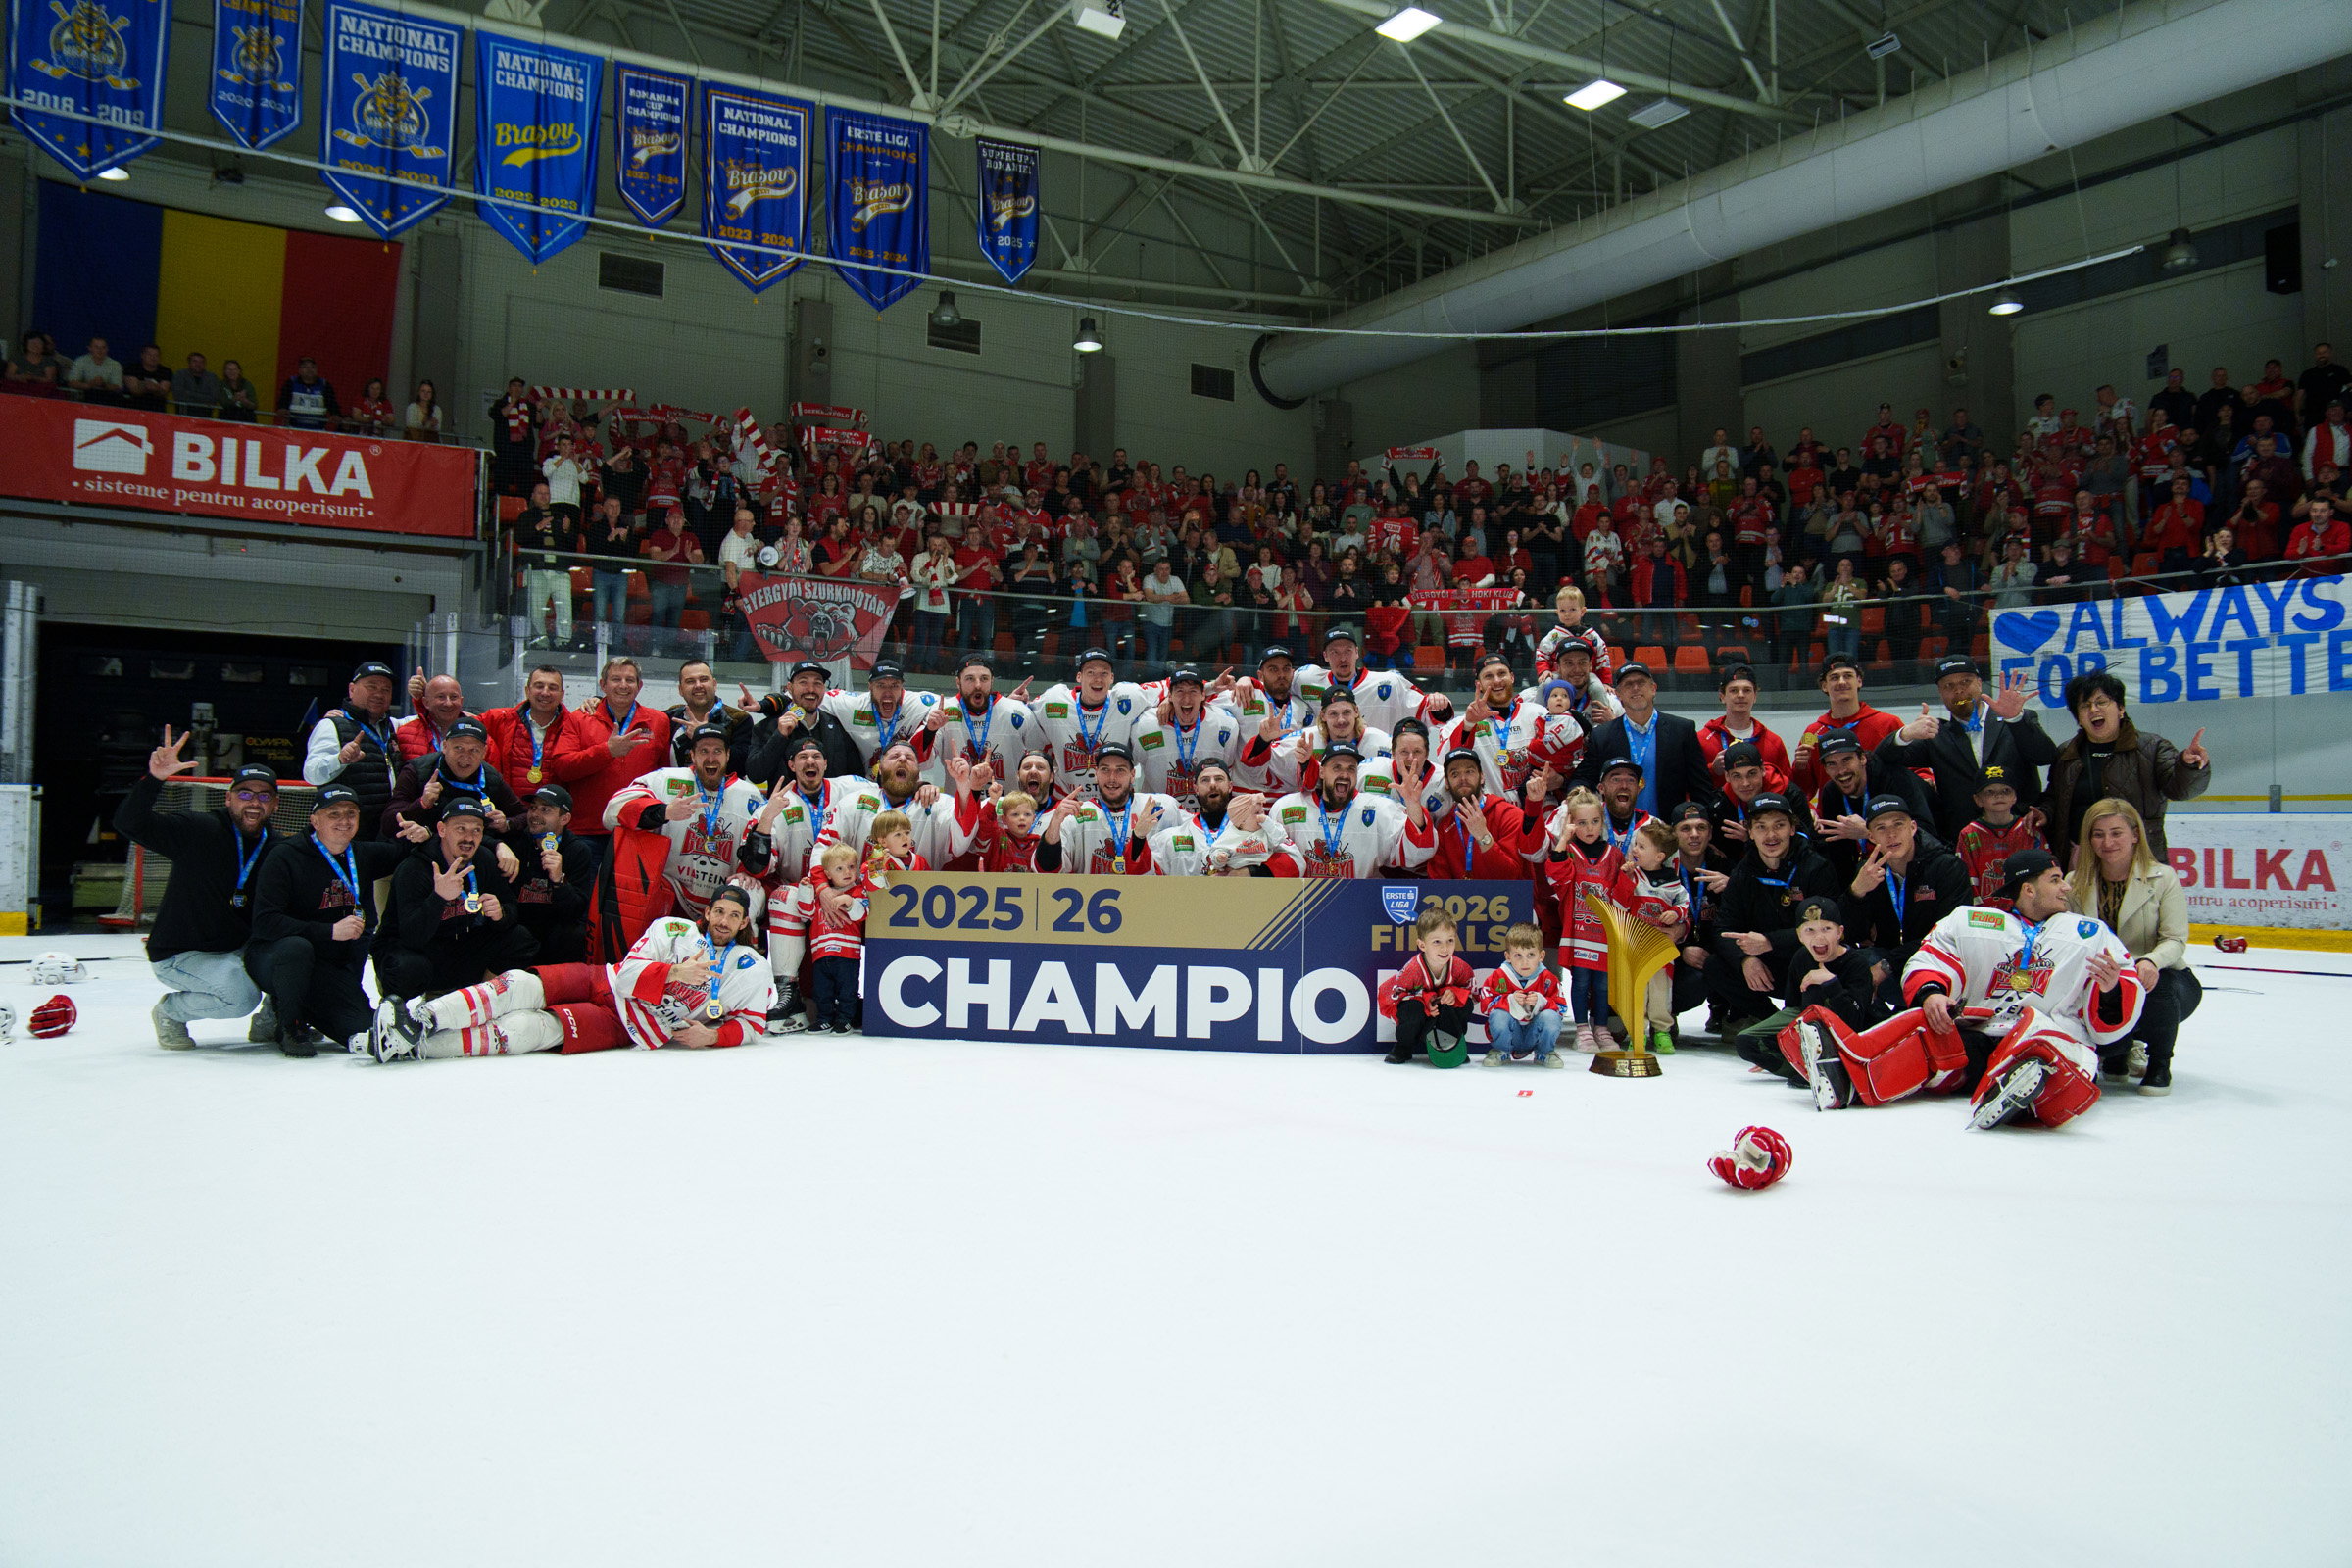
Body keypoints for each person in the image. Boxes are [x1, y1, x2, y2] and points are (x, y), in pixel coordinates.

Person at [1781, 850, 2144, 1131]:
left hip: (2050, 1034)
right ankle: (1848, 1078)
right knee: (1926, 1033)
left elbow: (2121, 999)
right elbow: (1931, 958)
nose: (2066, 886)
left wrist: (2112, 990)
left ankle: (2020, 1091)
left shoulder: (2089, 933)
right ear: (2028, 889)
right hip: (1984, 1034)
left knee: (2061, 1060)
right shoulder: (1972, 921)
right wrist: (1932, 994)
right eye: (2055, 879)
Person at [367, 886, 774, 1060]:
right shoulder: (673, 929)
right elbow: (630, 973)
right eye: (719, 911)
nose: (724, 920)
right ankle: (422, 1020)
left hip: (628, 1026)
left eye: (734, 916)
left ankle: (415, 1047)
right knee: (519, 983)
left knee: (529, 1031)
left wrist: (714, 1035)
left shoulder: (751, 968)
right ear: (707, 912)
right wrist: (672, 973)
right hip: (604, 980)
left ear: (743, 925)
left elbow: (754, 1024)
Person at [119, 739, 279, 1049]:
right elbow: (129, 823)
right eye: (245, 794)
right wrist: (153, 780)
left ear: (275, 803)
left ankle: (272, 1022)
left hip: (236, 950)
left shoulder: (277, 847)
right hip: (183, 954)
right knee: (240, 997)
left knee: (295, 953)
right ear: (230, 798)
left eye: (263, 795)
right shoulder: (198, 829)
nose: (254, 802)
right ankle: (170, 1012)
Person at [246, 784, 409, 1055]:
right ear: (315, 820)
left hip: (327, 967)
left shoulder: (362, 854)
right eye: (334, 814)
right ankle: (290, 1025)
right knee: (296, 949)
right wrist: (329, 931)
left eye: (351, 813)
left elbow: (405, 852)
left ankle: (307, 1008)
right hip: (273, 956)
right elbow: (266, 922)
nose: (344, 821)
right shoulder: (285, 856)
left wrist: (420, 831)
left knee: (363, 1028)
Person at [2069, 797, 2198, 1097]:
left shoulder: (2163, 878)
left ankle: (2159, 1062)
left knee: (2154, 983)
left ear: (2135, 835)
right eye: (2098, 834)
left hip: (2163, 978)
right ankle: (2115, 1055)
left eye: (2116, 833)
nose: (2107, 842)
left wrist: (2151, 961)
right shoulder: (2075, 882)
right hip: (2104, 979)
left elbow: (2175, 939)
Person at [1706, 792, 1842, 1035]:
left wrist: (1770, 942)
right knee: (1716, 966)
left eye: (1779, 825)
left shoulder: (1816, 867)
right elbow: (1722, 929)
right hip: (1764, 966)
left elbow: (1827, 930)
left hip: (1803, 960)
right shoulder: (1743, 873)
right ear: (1750, 831)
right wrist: (1745, 960)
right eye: (1761, 827)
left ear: (1792, 828)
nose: (1771, 835)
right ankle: (1772, 1023)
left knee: (1816, 955)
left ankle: (1809, 1022)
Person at [1876, 659, 2057, 840]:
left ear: (1979, 683)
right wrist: (1906, 734)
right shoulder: (1936, 735)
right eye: (1949, 685)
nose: (1959, 690)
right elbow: (1880, 759)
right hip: (1965, 841)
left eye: (1965, 681)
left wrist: (2015, 720)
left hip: (2022, 832)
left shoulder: (2013, 721)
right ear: (1940, 693)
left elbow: (2046, 756)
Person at [2041, 670, 2211, 865]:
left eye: (2101, 702)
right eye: (2085, 705)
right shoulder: (2067, 753)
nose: (2094, 710)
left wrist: (2188, 766)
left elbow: (2181, 790)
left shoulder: (2152, 747)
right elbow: (2054, 797)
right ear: (2078, 717)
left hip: (2138, 859)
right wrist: (2044, 812)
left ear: (2121, 708)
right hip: (2081, 860)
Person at [605, 723, 770, 922]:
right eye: (703, 751)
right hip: (670, 892)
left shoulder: (750, 795)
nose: (710, 758)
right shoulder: (665, 779)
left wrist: (747, 872)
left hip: (723, 897)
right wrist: (663, 811)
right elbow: (612, 812)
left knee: (750, 890)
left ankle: (739, 949)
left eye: (717, 751)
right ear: (692, 755)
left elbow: (763, 850)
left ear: (728, 755)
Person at [376, 800, 538, 1003]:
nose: (469, 838)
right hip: (420, 950)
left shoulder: (484, 859)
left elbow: (510, 908)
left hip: (461, 944)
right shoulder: (415, 868)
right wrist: (439, 898)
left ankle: (482, 998)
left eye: (477, 831)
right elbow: (411, 936)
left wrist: (500, 913)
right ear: (442, 830)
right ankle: (397, 1013)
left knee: (520, 939)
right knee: (408, 968)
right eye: (460, 829)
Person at [1731, 896, 1886, 1079]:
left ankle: (1826, 1069)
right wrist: (1779, 1050)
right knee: (1747, 1042)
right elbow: (1792, 1008)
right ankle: (1805, 1070)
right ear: (1800, 936)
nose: (1819, 937)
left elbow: (1855, 1020)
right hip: (1811, 1030)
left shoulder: (1856, 963)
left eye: (1826, 929)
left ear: (1839, 932)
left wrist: (1830, 982)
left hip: (1848, 1037)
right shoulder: (1801, 957)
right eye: (1810, 930)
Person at [1843, 793, 1972, 975]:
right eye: (1881, 828)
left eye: (1898, 824)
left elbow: (1950, 936)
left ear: (1912, 828)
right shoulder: (1868, 871)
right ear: (1871, 837)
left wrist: (1887, 965)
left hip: (1938, 962)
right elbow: (1849, 934)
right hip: (1890, 960)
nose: (1892, 834)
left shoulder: (1946, 867)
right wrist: (1856, 892)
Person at [1265, 743, 1433, 877]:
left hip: (1358, 904)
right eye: (1336, 768)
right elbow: (1270, 861)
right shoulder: (1286, 808)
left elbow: (1418, 854)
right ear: (1322, 772)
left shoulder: (1380, 809)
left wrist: (1413, 804)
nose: (1344, 775)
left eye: (1351, 769)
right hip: (1300, 905)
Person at [1574, 661, 1714, 818]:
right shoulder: (1602, 736)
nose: (1635, 688)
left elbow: (1700, 787)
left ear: (1653, 689)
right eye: (1628, 684)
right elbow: (1583, 778)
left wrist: (1705, 824)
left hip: (1667, 831)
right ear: (1618, 694)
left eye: (1641, 682)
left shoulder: (1682, 730)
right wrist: (1574, 795)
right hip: (1618, 834)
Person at [566, 657, 672, 857]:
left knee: (630, 889)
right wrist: (606, 752)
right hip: (588, 832)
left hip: (639, 829)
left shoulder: (659, 721)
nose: (623, 685)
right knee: (588, 888)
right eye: (616, 679)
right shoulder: (579, 719)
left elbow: (663, 775)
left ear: (639, 686)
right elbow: (564, 768)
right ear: (603, 685)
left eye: (630, 680)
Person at [1544, 787, 1623, 1051]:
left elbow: (1622, 896)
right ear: (1571, 824)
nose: (1589, 828)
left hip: (1605, 936)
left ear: (1603, 820)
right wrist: (1563, 840)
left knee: (1603, 985)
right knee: (1580, 982)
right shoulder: (1568, 852)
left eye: (1595, 822)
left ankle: (1601, 1028)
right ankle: (1582, 1029)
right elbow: (1556, 878)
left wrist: (1629, 876)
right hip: (1578, 932)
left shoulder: (1614, 855)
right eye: (1581, 823)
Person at [1806, 731, 1935, 886]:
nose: (1841, 771)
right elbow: (1838, 854)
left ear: (1862, 758)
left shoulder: (1895, 778)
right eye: (1831, 764)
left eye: (1847, 760)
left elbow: (1928, 835)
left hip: (1927, 865)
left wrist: (1869, 833)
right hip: (1876, 871)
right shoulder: (1831, 793)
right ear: (1825, 769)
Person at [1610, 819, 1692, 1055]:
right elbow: (1617, 905)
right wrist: (1624, 881)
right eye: (1635, 844)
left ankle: (1662, 1031)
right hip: (1635, 948)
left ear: (1659, 856)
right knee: (1636, 992)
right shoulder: (1632, 877)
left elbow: (1684, 903)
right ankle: (1637, 1032)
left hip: (1660, 949)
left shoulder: (1673, 881)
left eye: (1642, 846)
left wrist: (1675, 913)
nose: (1635, 850)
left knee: (1660, 993)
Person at [1035, 744, 1183, 874]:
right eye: (1105, 770)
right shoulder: (1075, 815)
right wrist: (1054, 823)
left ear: (1132, 775)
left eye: (1120, 770)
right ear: (1096, 775)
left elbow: (1198, 834)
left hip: (1146, 900)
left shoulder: (1162, 806)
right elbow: (1046, 870)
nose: (1112, 778)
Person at [774, 843, 874, 1032]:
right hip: (820, 954)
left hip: (847, 955)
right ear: (827, 874)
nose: (847, 872)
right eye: (839, 868)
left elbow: (862, 913)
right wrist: (805, 890)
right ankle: (824, 1018)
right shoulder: (821, 896)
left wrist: (851, 903)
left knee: (848, 991)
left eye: (851, 867)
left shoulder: (858, 892)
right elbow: (805, 912)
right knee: (822, 991)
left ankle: (845, 1019)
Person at [301, 662, 404, 840]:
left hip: (387, 832)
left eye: (386, 689)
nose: (379, 694)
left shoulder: (394, 726)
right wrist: (339, 760)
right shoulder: (331, 725)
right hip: (347, 833)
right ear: (351, 689)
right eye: (371, 686)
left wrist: (420, 697)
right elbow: (312, 774)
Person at [1030, 648, 1150, 801]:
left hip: (1114, 802)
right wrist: (1014, 701)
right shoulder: (1055, 700)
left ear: (1112, 678)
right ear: (1079, 677)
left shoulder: (1128, 698)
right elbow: (1026, 712)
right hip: (1066, 800)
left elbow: (1167, 686)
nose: (1098, 679)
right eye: (1091, 673)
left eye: (1104, 673)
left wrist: (1167, 701)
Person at [384, 717, 525, 841]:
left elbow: (524, 815)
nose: (466, 756)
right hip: (422, 850)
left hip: (472, 852)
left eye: (474, 750)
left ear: (484, 752)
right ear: (445, 746)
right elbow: (388, 823)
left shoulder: (491, 777)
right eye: (458, 748)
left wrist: (506, 824)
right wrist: (422, 804)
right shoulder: (418, 770)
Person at [1788, 655, 1907, 796]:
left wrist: (1926, 778)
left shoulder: (1888, 723)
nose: (1842, 682)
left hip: (1882, 814)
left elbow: (1915, 770)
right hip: (1832, 815)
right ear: (1824, 686)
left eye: (1848, 676)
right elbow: (1804, 791)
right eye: (1834, 677)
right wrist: (1800, 768)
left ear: (1859, 681)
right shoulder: (1812, 732)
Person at [1131, 667, 1243, 809]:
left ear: (1203, 695)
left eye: (1193, 691)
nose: (1187, 698)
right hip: (1159, 815)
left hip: (1207, 815)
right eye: (1180, 691)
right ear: (1169, 696)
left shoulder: (1226, 724)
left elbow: (1228, 770)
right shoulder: (1145, 725)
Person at [1422, 746, 1540, 880]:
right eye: (1455, 774)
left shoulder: (1509, 815)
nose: (1463, 779)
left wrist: (1483, 836)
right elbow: (1439, 885)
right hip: (1460, 899)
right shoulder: (1444, 827)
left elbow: (1511, 877)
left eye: (1469, 771)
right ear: (1447, 783)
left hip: (1506, 899)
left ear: (1482, 777)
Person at [1377, 907, 1476, 1066]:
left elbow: (1473, 994)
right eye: (1437, 942)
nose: (1445, 948)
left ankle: (1453, 1046)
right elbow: (1394, 999)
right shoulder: (1412, 970)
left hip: (1443, 1015)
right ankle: (1403, 1047)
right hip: (1421, 1017)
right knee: (1411, 1009)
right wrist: (1425, 1001)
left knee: (1465, 1004)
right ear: (1422, 945)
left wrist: (1454, 994)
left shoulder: (1462, 968)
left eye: (1450, 940)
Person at [510, 784, 594, 963]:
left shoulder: (578, 850)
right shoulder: (516, 843)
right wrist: (499, 847)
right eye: (533, 808)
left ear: (564, 818)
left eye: (545, 810)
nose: (535, 815)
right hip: (521, 924)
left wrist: (559, 881)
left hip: (554, 926)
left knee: (573, 935)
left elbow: (576, 911)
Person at [1477, 922, 1566, 1068]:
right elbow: (1486, 1006)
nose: (1525, 962)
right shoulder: (1498, 976)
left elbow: (1562, 1008)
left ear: (1541, 955)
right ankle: (1501, 1051)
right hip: (1512, 1034)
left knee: (1551, 1016)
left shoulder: (1549, 979)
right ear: (1508, 956)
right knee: (1498, 1015)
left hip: (1535, 1033)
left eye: (1531, 955)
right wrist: (1508, 1000)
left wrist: (1543, 1002)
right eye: (1518, 955)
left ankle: (1545, 1052)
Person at [1954, 764, 2044, 908]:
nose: (1999, 795)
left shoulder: (2029, 829)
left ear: (2015, 796)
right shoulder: (1969, 834)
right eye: (1990, 792)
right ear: (1978, 799)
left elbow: (2044, 871)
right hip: (1985, 914)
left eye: (2006, 790)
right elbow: (1966, 878)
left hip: (2027, 910)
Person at [1696, 664, 1789, 787]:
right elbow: (1688, 788)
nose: (1741, 695)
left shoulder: (1773, 742)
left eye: (1747, 690)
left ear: (1755, 696)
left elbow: (1788, 787)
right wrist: (1713, 770)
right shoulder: (1702, 740)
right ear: (1722, 696)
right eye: (1734, 690)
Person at [275, 355, 339, 429]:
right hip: (293, 429)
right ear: (299, 370)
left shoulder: (325, 385)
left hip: (318, 431)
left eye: (312, 367)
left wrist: (335, 414)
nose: (309, 369)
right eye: (305, 367)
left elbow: (333, 405)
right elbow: (282, 402)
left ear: (317, 369)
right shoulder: (290, 383)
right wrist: (282, 409)